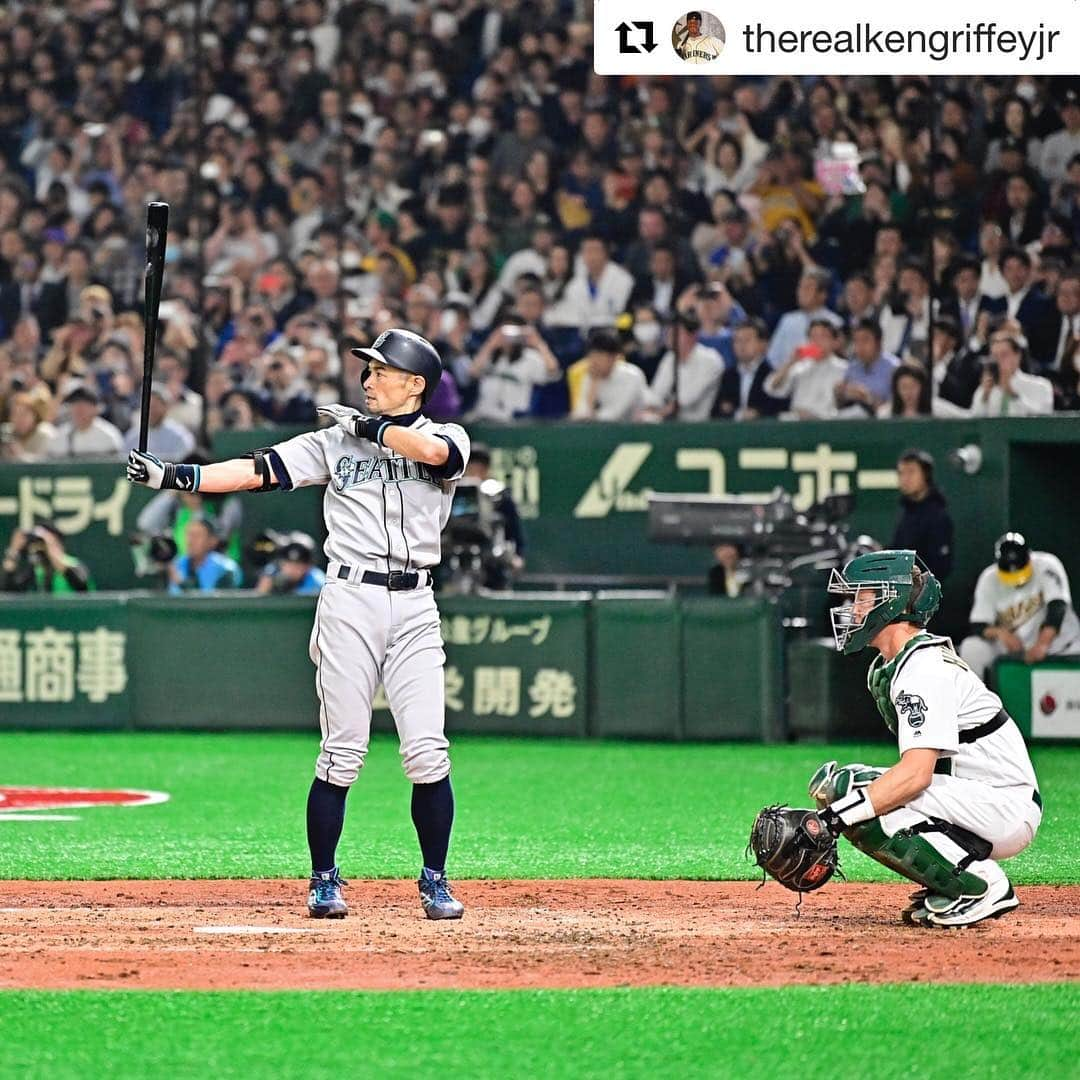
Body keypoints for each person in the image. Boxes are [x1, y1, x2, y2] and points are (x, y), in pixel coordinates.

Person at [127, 328, 469, 922]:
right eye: (366, 369)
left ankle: (435, 880)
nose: (368, 379)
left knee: (427, 752)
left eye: (381, 371)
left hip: (416, 605)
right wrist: (178, 477)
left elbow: (438, 457)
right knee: (342, 751)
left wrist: (372, 431)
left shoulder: (446, 435)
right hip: (350, 597)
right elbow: (257, 470)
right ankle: (324, 878)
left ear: (416, 383)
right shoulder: (335, 442)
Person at [809, 548, 1041, 927]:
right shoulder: (897, 664)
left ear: (892, 602)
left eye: (862, 596)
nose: (852, 608)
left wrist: (831, 820)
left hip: (1003, 805)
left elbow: (917, 775)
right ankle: (953, 880)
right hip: (979, 797)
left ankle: (981, 884)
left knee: (852, 790)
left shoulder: (922, 668)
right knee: (854, 791)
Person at [959, 533, 1080, 682]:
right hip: (1019, 648)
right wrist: (1000, 633)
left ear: (1029, 557)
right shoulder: (989, 579)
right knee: (972, 647)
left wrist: (1042, 644)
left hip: (1061, 646)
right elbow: (978, 625)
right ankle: (976, 701)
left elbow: (1058, 608)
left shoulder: (1047, 565)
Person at [463, 443, 526, 588]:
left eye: (479, 468)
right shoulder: (454, 493)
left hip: (492, 559)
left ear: (486, 469)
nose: (474, 473)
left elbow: (514, 530)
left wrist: (518, 556)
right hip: (459, 555)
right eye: (471, 468)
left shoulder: (499, 495)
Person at [889, 449, 954, 581]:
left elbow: (939, 567)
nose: (905, 478)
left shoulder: (938, 516)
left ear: (926, 475)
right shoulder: (906, 512)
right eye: (901, 473)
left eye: (911, 472)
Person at [570, 328, 649, 422]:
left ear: (614, 357)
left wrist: (589, 417)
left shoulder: (632, 375)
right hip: (605, 430)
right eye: (591, 356)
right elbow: (581, 412)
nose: (593, 362)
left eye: (599, 356)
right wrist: (593, 385)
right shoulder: (590, 376)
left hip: (638, 429)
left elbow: (615, 414)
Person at [969, 334, 1054, 417]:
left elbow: (1043, 418)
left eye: (1004, 355)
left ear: (1018, 356)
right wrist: (985, 397)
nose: (998, 360)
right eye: (994, 356)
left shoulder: (1040, 386)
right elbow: (975, 423)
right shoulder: (984, 388)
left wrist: (1013, 394)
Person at [1, 520, 93, 593]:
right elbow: (9, 591)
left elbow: (82, 588)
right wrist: (13, 551)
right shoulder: (36, 569)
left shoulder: (72, 564)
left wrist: (51, 547)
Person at [46, 383, 125, 460]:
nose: (78, 410)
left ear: (95, 408)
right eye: (74, 404)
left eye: (83, 406)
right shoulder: (60, 436)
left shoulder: (109, 436)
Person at [168, 516, 244, 593]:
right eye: (189, 535)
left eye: (197, 536)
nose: (190, 541)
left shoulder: (225, 569)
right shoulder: (176, 565)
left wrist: (182, 583)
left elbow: (219, 602)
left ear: (212, 541)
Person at [255, 532, 326, 596]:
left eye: (298, 565)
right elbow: (258, 599)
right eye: (288, 563)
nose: (292, 568)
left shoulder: (318, 580)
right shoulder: (272, 571)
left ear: (308, 566)